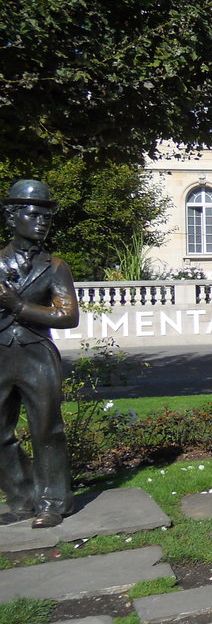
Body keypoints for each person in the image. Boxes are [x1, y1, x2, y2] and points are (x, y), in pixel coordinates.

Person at [0, 180, 79, 528]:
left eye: (46, 216)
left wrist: (18, 305)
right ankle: (21, 498)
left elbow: (67, 316)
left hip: (37, 356)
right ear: (12, 218)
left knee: (47, 429)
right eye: (34, 215)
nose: (42, 222)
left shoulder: (56, 266)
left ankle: (53, 503)